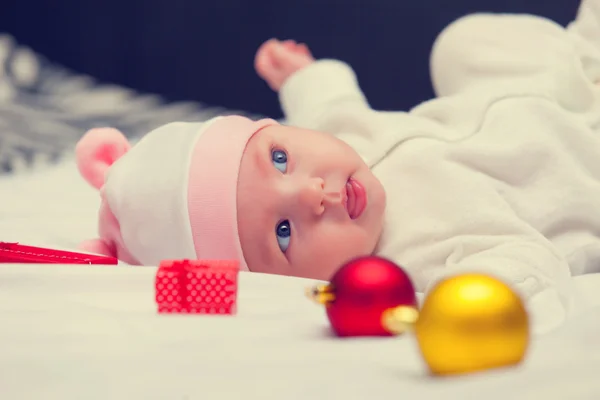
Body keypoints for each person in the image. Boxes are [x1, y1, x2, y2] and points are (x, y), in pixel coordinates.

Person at [77, 0, 600, 314]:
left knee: (461, 45)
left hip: (555, 91)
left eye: (279, 159)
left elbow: (332, 110)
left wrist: (304, 77)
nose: (312, 194)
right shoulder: (416, 255)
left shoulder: (345, 144)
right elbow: (523, 275)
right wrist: (493, 292)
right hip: (582, 156)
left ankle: (584, 60)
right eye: (283, 233)